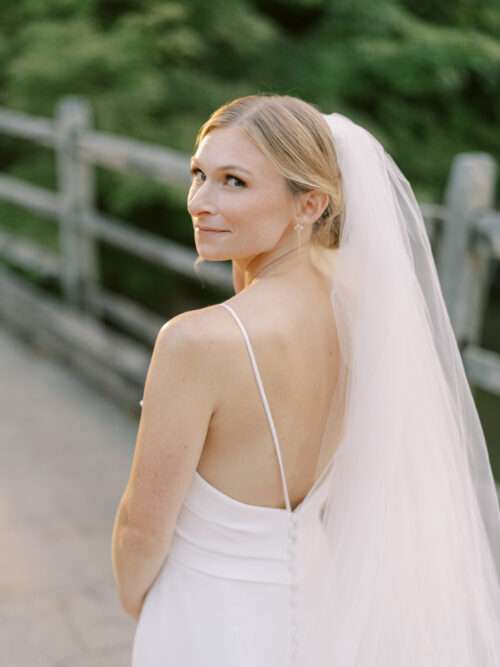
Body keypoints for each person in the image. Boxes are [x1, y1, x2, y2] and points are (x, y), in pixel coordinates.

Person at [112, 94, 500, 666]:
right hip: (327, 614)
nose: (200, 201)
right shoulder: (370, 311)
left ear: (310, 203)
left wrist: (139, 604)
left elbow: (142, 527)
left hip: (209, 618)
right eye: (199, 174)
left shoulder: (197, 341)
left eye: (234, 182)